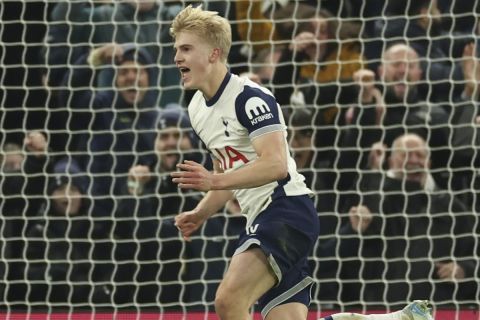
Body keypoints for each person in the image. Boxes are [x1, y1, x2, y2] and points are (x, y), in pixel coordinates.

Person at [169, 5, 433, 320]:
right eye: (176, 49)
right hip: (267, 216)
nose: (177, 57)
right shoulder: (197, 108)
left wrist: (214, 180)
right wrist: (201, 212)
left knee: (228, 300)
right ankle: (400, 319)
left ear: (213, 53)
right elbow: (230, 172)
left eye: (186, 48)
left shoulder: (250, 99)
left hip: (284, 209)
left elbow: (276, 165)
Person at [320, 134, 478, 309]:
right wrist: (352, 230)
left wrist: (464, 270)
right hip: (375, 307)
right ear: (391, 161)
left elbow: (473, 255)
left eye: (420, 155)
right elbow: (333, 255)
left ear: (429, 163)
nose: (413, 160)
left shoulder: (451, 207)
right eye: (406, 154)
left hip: (435, 309)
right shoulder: (367, 200)